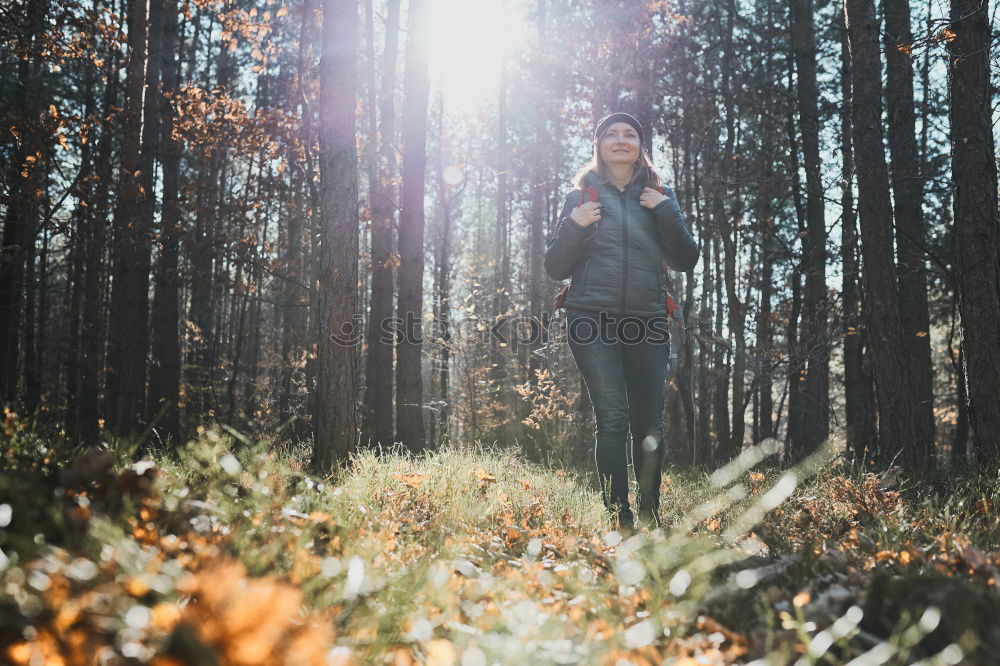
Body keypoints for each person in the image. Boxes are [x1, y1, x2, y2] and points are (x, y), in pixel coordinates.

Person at [543, 112, 699, 531]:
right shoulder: (580, 198)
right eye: (610, 134)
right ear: (598, 144)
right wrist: (574, 227)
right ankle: (619, 517)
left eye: (629, 134)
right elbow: (555, 267)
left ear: (640, 146)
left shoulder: (659, 195)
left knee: (649, 420)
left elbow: (686, 259)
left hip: (647, 318)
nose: (620, 140)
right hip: (590, 317)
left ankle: (649, 512)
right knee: (612, 417)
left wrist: (665, 211)